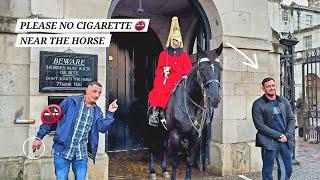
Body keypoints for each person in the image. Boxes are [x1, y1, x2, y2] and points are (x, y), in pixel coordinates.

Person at [32, 81, 118, 179]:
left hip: (81, 154)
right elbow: (52, 118)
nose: (96, 95)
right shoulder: (71, 101)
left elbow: (102, 128)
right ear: (87, 90)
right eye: (94, 91)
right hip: (62, 151)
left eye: (99, 93)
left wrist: (110, 113)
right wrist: (39, 137)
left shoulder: (97, 111)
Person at [148, 16, 192, 127]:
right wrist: (164, 71)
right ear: (170, 40)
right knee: (160, 88)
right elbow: (158, 69)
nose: (176, 42)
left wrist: (185, 76)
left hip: (181, 79)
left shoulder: (184, 55)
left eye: (178, 40)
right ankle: (155, 113)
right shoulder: (164, 54)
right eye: (174, 40)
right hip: (167, 78)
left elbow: (188, 69)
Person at [252, 77, 295, 180]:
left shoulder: (283, 101)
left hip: (285, 141)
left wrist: (287, 135)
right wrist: (278, 135)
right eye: (268, 86)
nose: (271, 88)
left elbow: (291, 119)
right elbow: (260, 126)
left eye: (273, 85)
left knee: (287, 170)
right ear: (263, 88)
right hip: (269, 142)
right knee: (267, 172)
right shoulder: (258, 104)